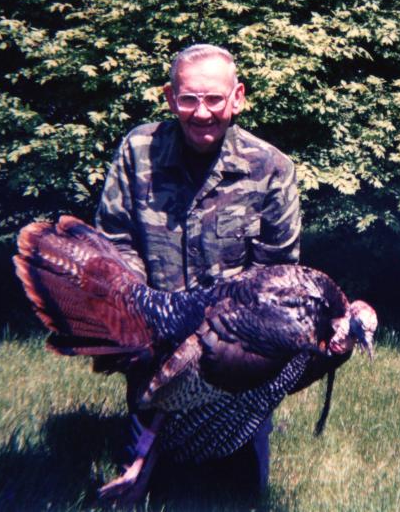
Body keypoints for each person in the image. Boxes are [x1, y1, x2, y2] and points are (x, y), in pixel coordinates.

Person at [95, 43, 301, 498]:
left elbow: (278, 277)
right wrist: (141, 310)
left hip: (231, 350)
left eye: (214, 98)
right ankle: (148, 447)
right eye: (189, 99)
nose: (202, 112)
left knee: (242, 492)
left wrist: (225, 338)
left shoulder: (271, 167)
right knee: (152, 490)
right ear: (171, 98)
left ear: (238, 97)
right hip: (151, 333)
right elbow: (114, 240)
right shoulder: (138, 150)